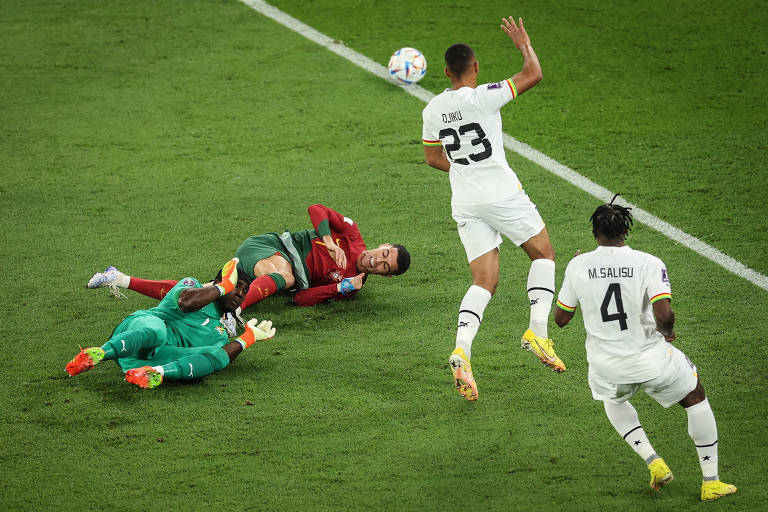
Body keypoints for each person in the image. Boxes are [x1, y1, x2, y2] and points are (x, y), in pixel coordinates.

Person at [553, 199, 737, 501]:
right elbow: (664, 315)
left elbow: (561, 319)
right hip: (650, 360)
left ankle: (653, 461)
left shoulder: (578, 265)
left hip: (605, 365)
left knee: (612, 399)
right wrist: (668, 333)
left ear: (594, 233)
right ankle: (711, 482)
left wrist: (575, 274)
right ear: (625, 230)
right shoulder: (649, 263)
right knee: (694, 395)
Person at [422, 17, 563, 401]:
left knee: (484, 282)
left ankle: (461, 350)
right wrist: (523, 43)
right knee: (543, 254)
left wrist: (465, 170)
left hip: (465, 201)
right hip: (501, 194)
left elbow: (433, 157)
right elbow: (533, 73)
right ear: (476, 67)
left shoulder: (433, 108)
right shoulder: (486, 95)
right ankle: (538, 331)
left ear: (447, 72)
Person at [87, 205, 411, 313]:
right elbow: (317, 209)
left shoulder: (353, 285)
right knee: (285, 275)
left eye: (385, 266)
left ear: (386, 276)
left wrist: (339, 290)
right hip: (269, 247)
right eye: (383, 254)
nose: (377, 261)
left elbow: (301, 299)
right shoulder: (352, 238)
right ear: (382, 245)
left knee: (201, 294)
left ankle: (118, 278)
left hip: (263, 274)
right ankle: (237, 313)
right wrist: (327, 239)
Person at [67, 258, 276, 389]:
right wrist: (224, 286)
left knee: (218, 355)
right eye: (236, 286)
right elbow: (186, 303)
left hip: (149, 358)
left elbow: (218, 357)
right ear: (218, 283)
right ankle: (100, 353)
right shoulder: (190, 285)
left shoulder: (219, 333)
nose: (240, 294)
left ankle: (156, 373)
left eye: (244, 291)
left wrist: (249, 337)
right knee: (157, 332)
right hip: (141, 327)